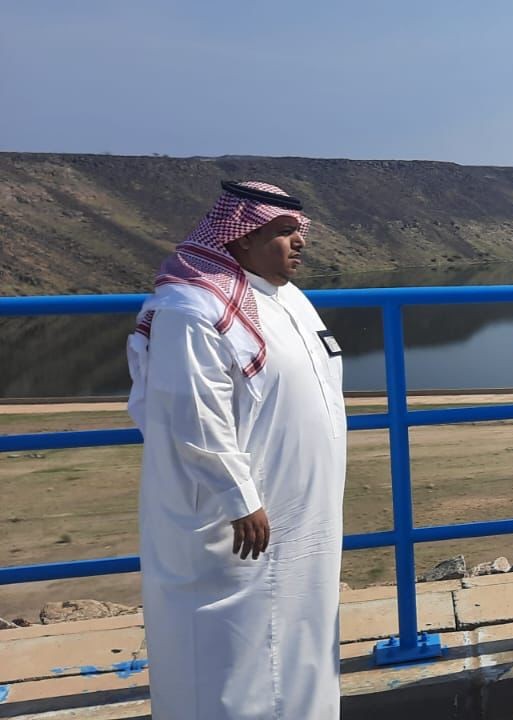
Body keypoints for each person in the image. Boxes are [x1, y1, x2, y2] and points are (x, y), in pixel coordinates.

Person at [127, 181, 346, 719]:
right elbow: (191, 413)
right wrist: (239, 498)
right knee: (233, 652)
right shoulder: (193, 307)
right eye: (284, 231)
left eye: (299, 230)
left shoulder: (288, 299)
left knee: (302, 636)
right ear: (243, 237)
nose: (299, 242)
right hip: (236, 519)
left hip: (300, 512)